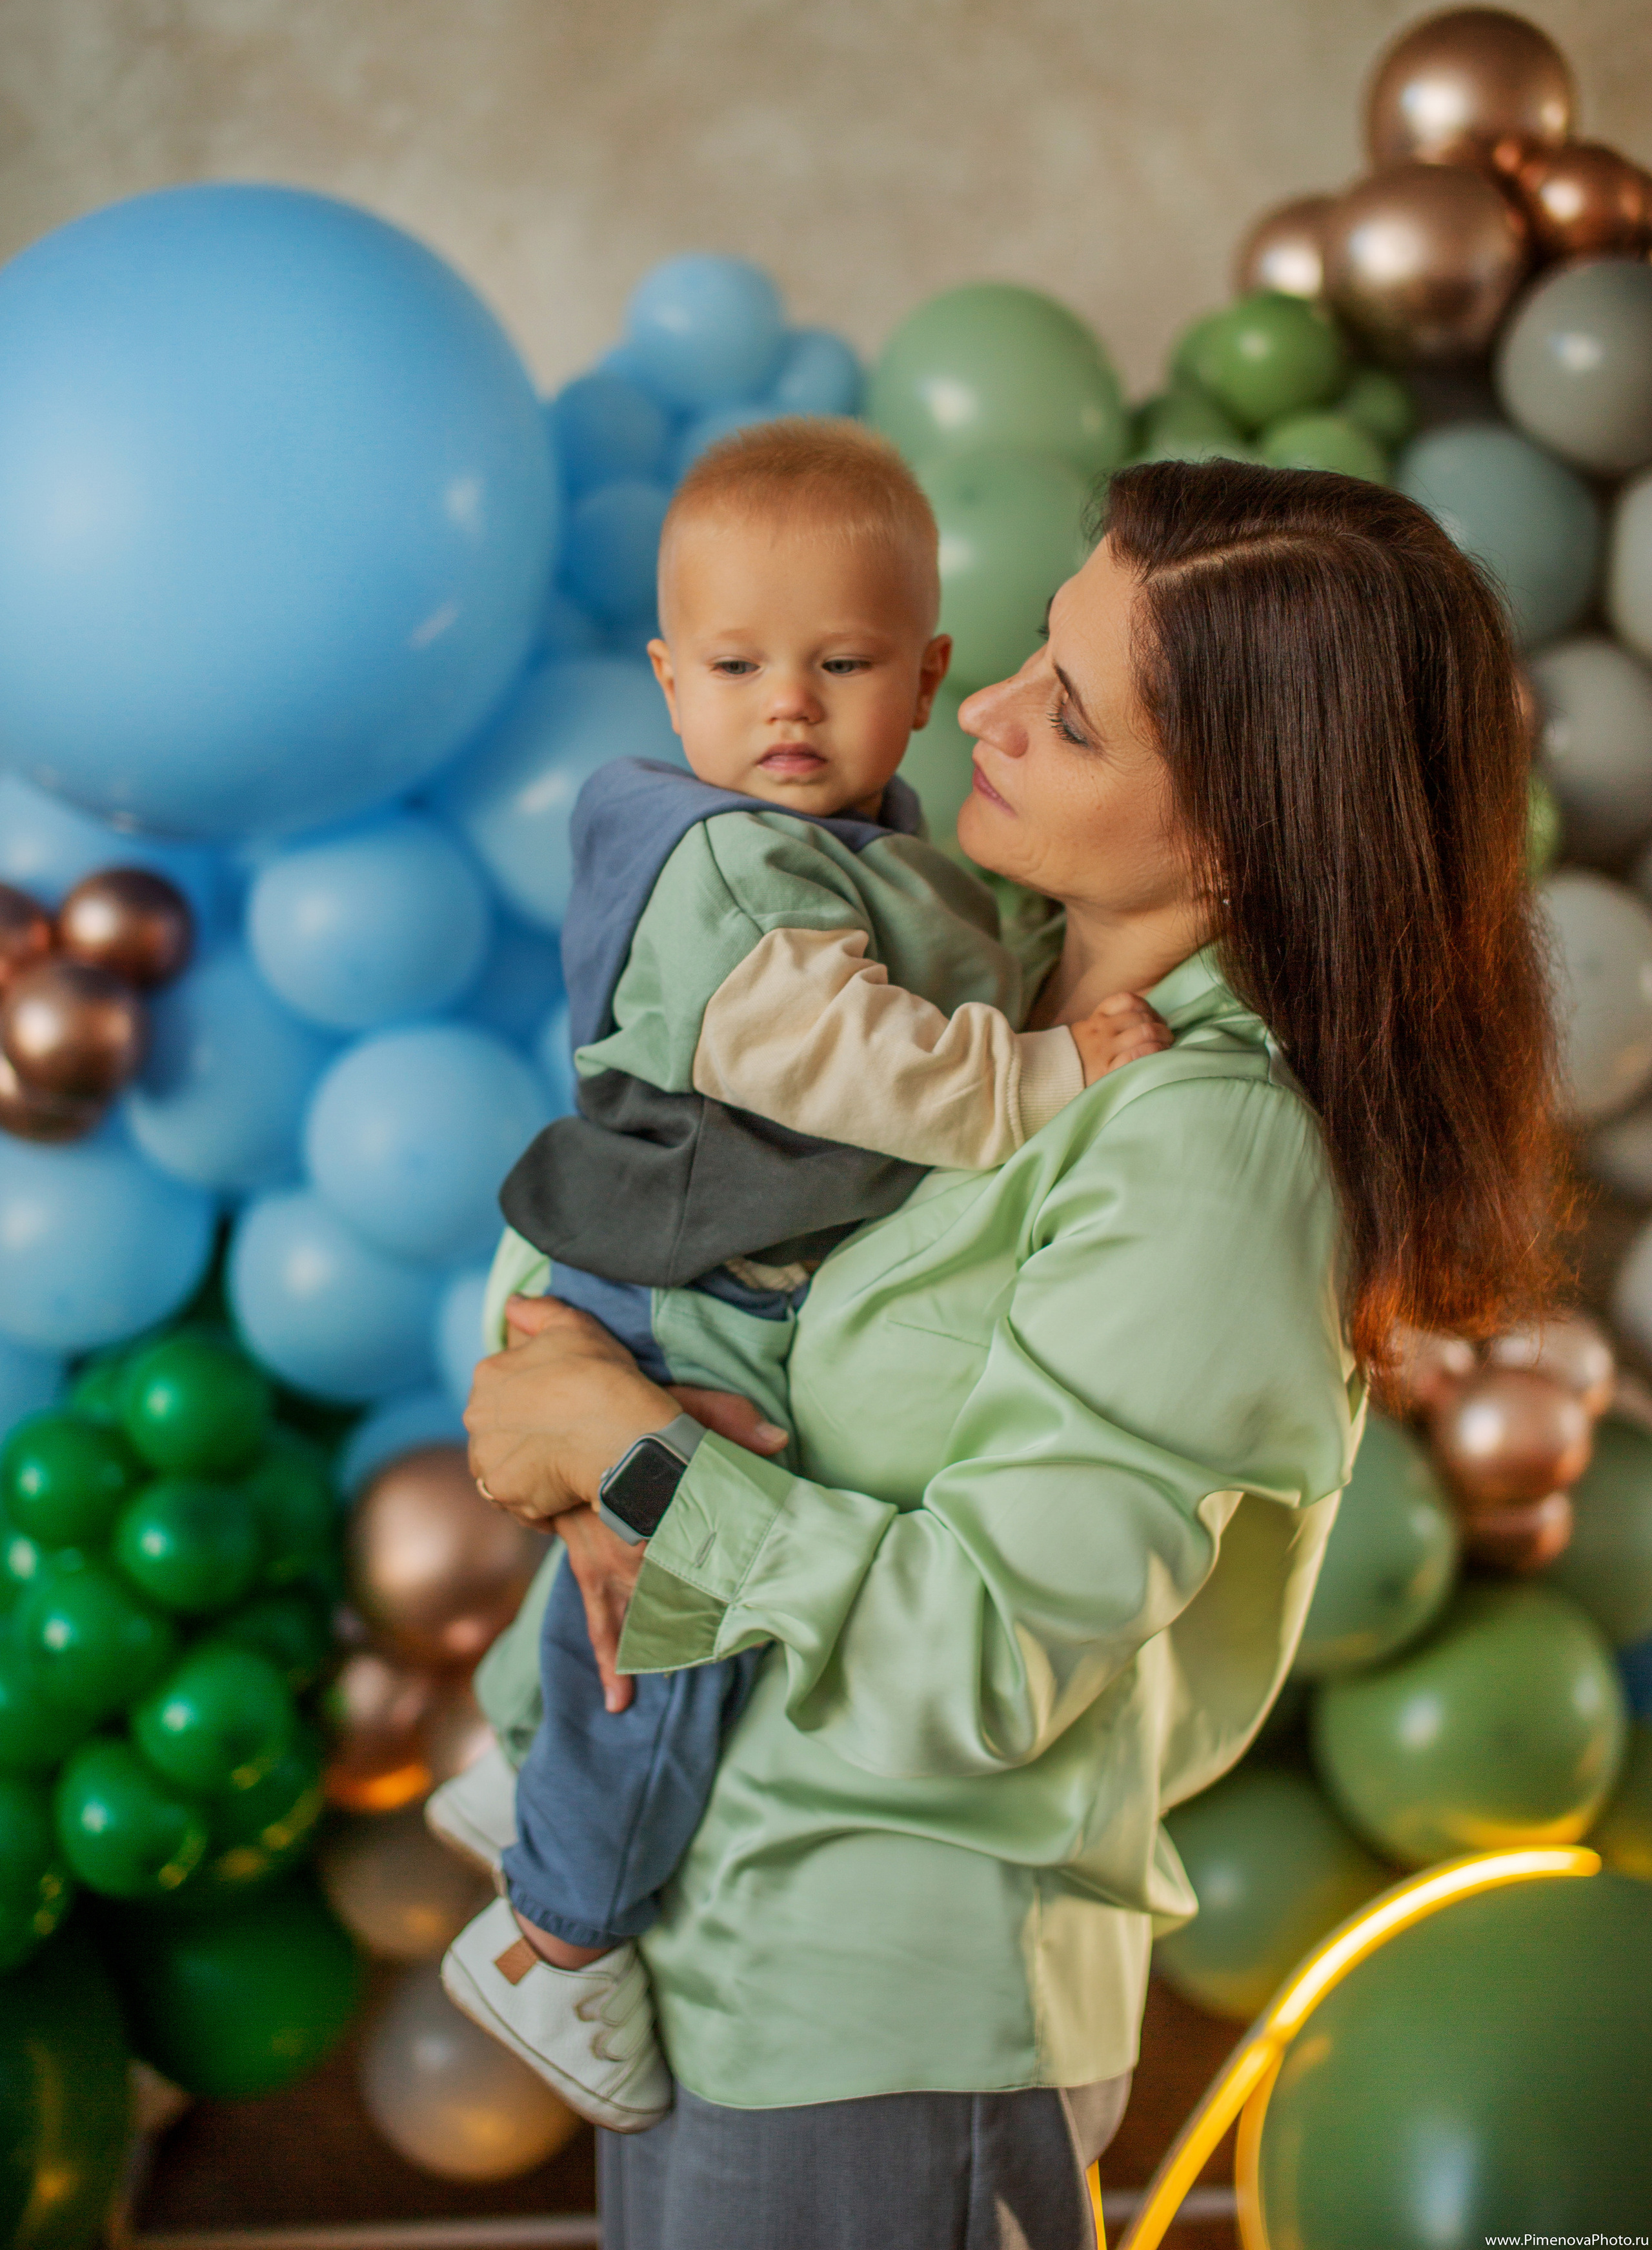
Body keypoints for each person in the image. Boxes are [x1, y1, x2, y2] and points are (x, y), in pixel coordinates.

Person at [461, 459, 1562, 2250]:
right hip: (700, 1938)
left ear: (1243, 826)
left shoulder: (1211, 1150)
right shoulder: (960, 979)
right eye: (1036, 660)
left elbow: (986, 1662)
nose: (976, 709)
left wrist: (636, 1461)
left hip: (890, 2010)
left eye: (1067, 711)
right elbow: (631, 1193)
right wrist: (568, 1408)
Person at [434, 419, 1171, 2129]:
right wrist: (1056, 1075)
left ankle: (523, 1771)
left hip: (700, 1266)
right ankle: (559, 1935)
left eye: (839, 664)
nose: (788, 705)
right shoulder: (727, 872)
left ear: (923, 679)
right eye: (739, 665)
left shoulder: (873, 844)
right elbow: (862, 1070)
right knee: (671, 1618)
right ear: (666, 680)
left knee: (649, 1566)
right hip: (684, 1286)